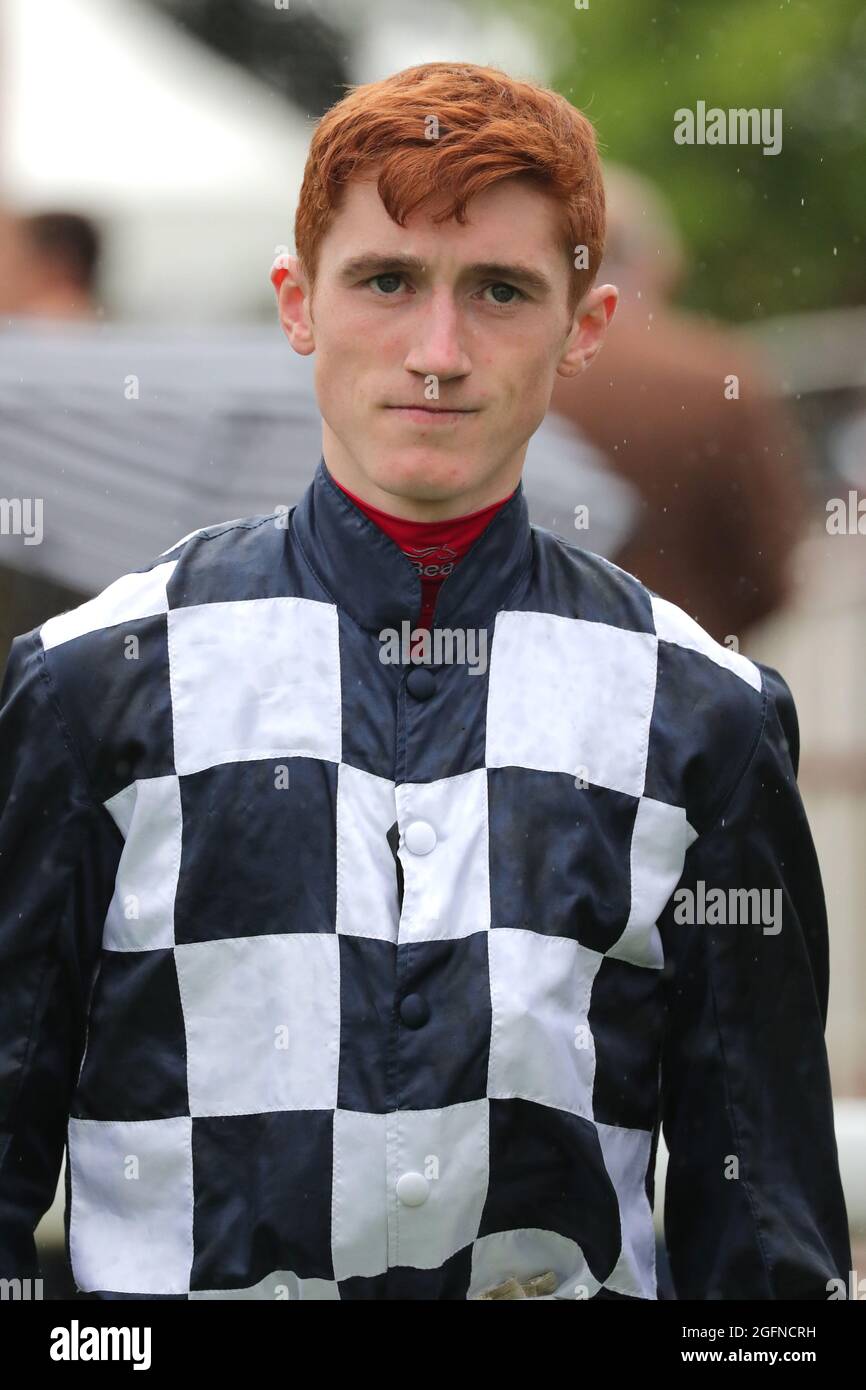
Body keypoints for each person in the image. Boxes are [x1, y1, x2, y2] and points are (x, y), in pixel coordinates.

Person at [0, 61, 850, 1301]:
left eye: (499, 290)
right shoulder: (94, 684)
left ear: (586, 324)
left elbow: (761, 1229)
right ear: (296, 302)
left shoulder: (702, 711)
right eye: (387, 280)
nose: (437, 351)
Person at [550, 165, 812, 645]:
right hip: (696, 679)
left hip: (539, 675)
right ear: (657, 260)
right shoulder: (719, 374)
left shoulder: (522, 371)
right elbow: (769, 569)